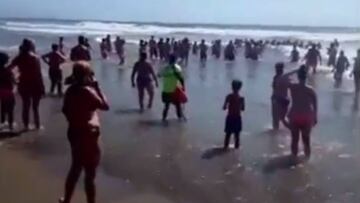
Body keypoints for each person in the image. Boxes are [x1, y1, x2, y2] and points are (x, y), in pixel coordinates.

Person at [59, 61, 109, 203]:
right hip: (88, 134)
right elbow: (105, 106)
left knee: (75, 168)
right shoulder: (87, 92)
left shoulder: (70, 91)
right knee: (90, 173)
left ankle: (67, 199)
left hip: (74, 132)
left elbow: (65, 110)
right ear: (87, 75)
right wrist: (98, 88)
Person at [8, 39, 45, 130]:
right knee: (35, 107)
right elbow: (38, 74)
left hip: (23, 83)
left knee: (25, 105)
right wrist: (42, 86)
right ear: (31, 46)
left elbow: (9, 69)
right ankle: (37, 125)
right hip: (35, 83)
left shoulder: (19, 57)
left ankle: (26, 126)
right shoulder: (35, 58)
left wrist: (14, 80)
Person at [286, 65, 318, 159]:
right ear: (306, 76)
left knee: (294, 140)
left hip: (294, 115)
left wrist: (295, 70)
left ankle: (293, 160)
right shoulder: (310, 90)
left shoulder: (292, 86)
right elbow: (315, 105)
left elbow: (284, 77)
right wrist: (315, 117)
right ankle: (307, 162)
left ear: (298, 76)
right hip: (307, 116)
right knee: (306, 141)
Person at [271, 63, 298, 130]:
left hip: (277, 100)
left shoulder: (277, 77)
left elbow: (275, 88)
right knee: (282, 119)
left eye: (276, 68)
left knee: (276, 120)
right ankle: (293, 131)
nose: (276, 70)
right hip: (285, 100)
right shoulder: (286, 78)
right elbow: (291, 86)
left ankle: (292, 131)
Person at [159, 54, 185, 122]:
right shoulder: (177, 68)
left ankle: (163, 119)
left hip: (166, 90)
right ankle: (180, 120)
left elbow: (159, 75)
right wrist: (183, 87)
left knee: (166, 106)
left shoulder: (165, 68)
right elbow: (181, 78)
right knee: (178, 106)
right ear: (175, 60)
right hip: (174, 90)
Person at [223, 80, 245, 149]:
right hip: (237, 118)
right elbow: (243, 109)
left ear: (232, 87)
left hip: (230, 117)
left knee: (228, 135)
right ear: (240, 88)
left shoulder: (229, 96)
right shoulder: (241, 98)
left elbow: (224, 107)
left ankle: (225, 148)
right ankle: (236, 149)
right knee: (237, 136)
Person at [0, 52, 16, 130]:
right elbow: (13, 81)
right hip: (8, 91)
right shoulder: (8, 71)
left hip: (1, 91)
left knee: (2, 107)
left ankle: (2, 122)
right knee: (10, 109)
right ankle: (11, 125)